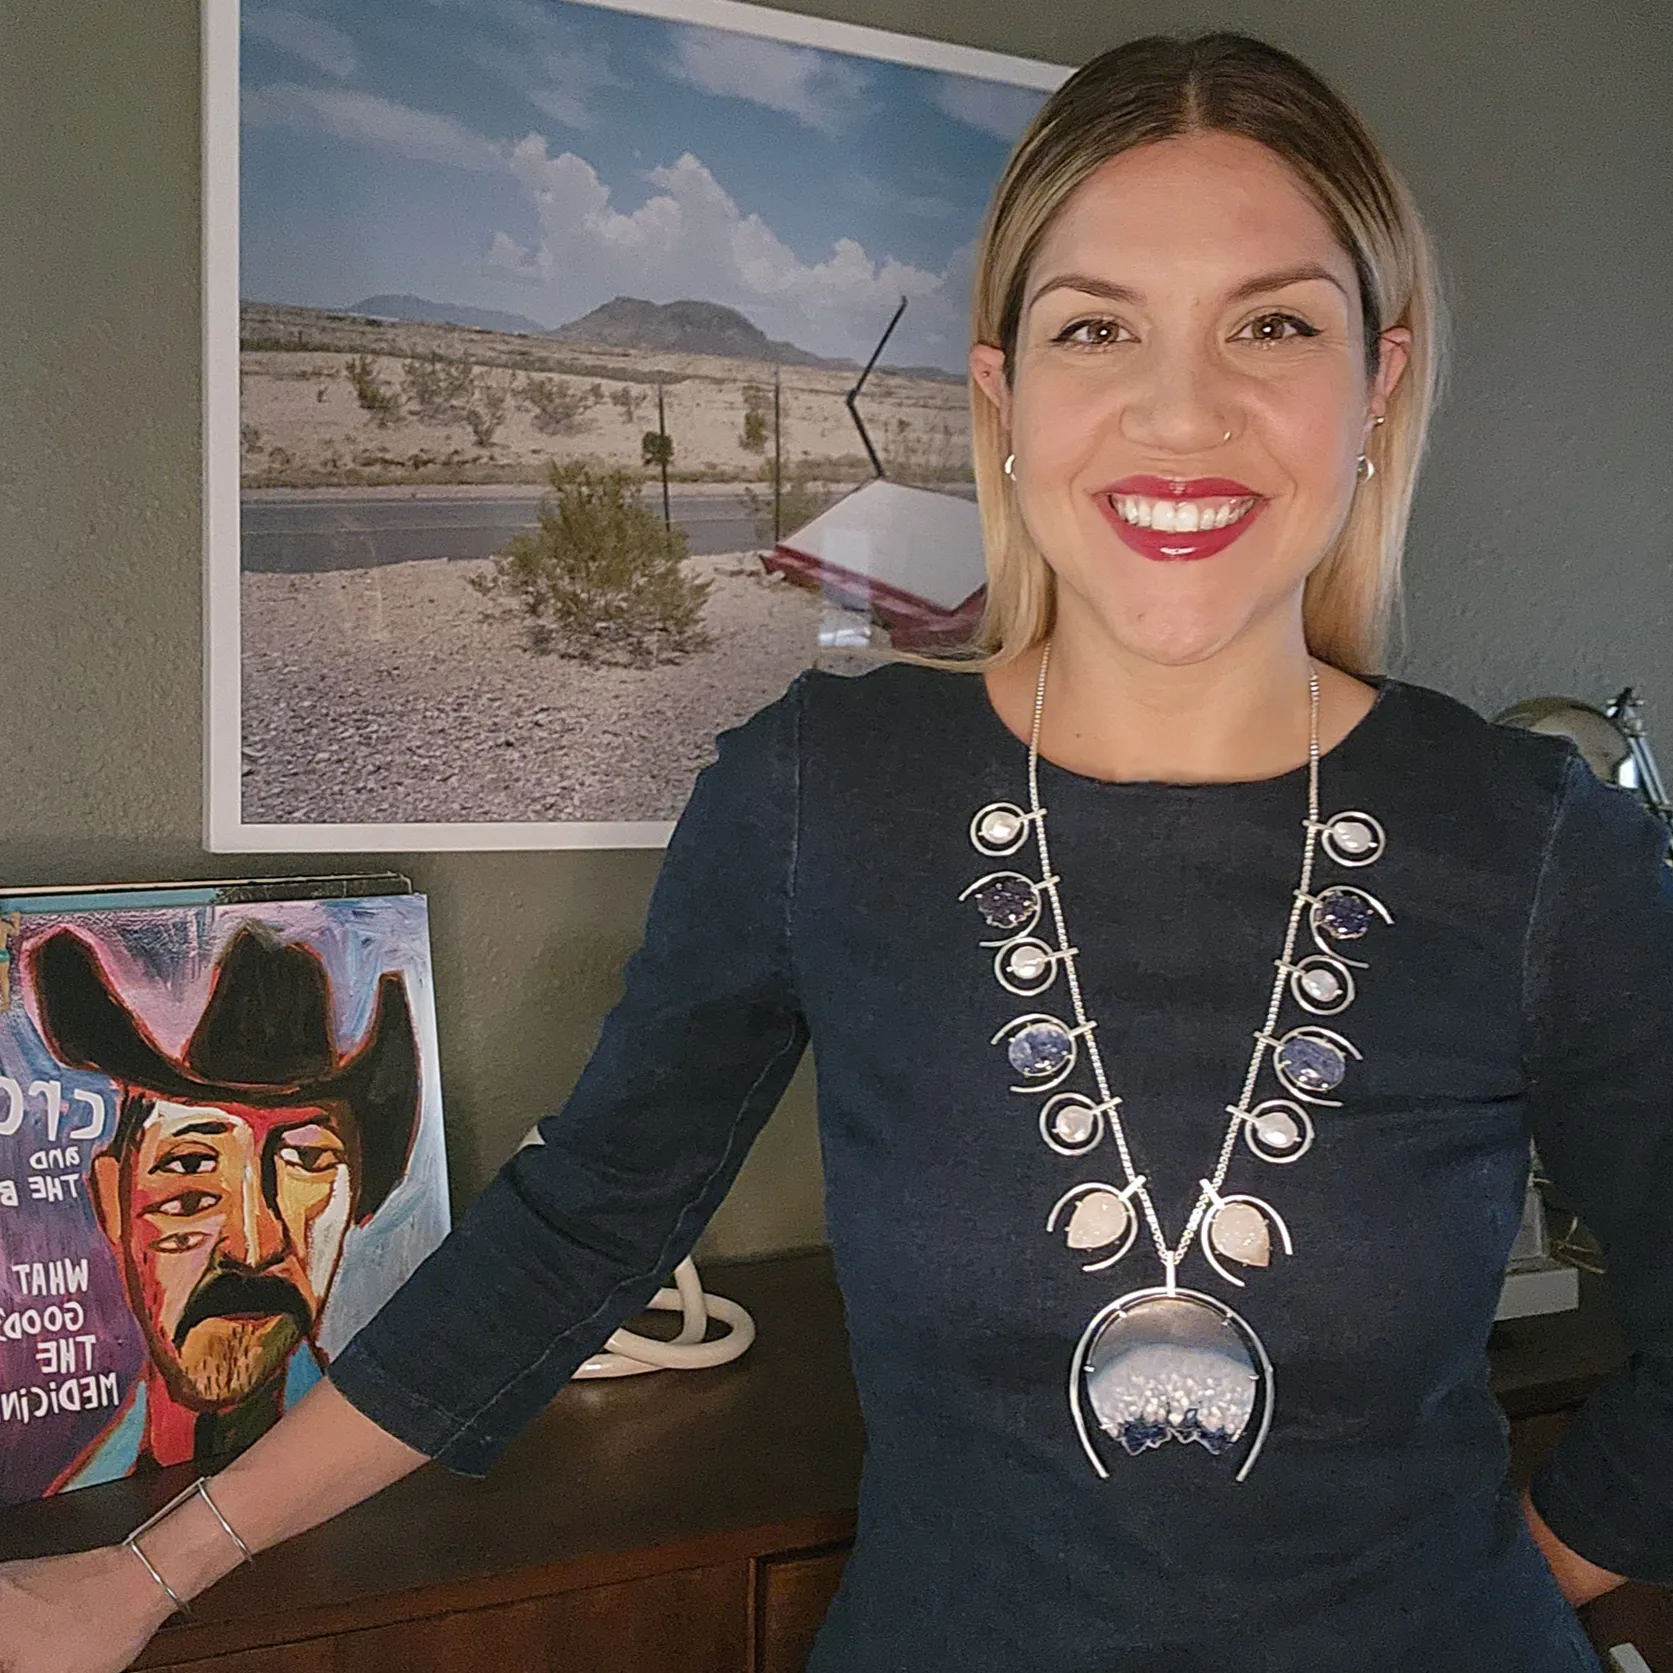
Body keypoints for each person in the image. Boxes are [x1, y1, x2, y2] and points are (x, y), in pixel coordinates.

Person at [2, 28, 1665, 1673]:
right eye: (1098, 327)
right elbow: (575, 1231)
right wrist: (143, 1574)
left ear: (1374, 379)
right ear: (1002, 390)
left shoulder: (1534, 844)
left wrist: (1506, 1583)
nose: (1182, 409)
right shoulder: (819, 794)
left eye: (1271, 324)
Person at [25, 923, 422, 1490]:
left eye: (308, 1163)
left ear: (357, 1193)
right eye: (189, 1170)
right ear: (111, 1200)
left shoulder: (392, 1472)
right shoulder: (68, 1499)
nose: (254, 1249)